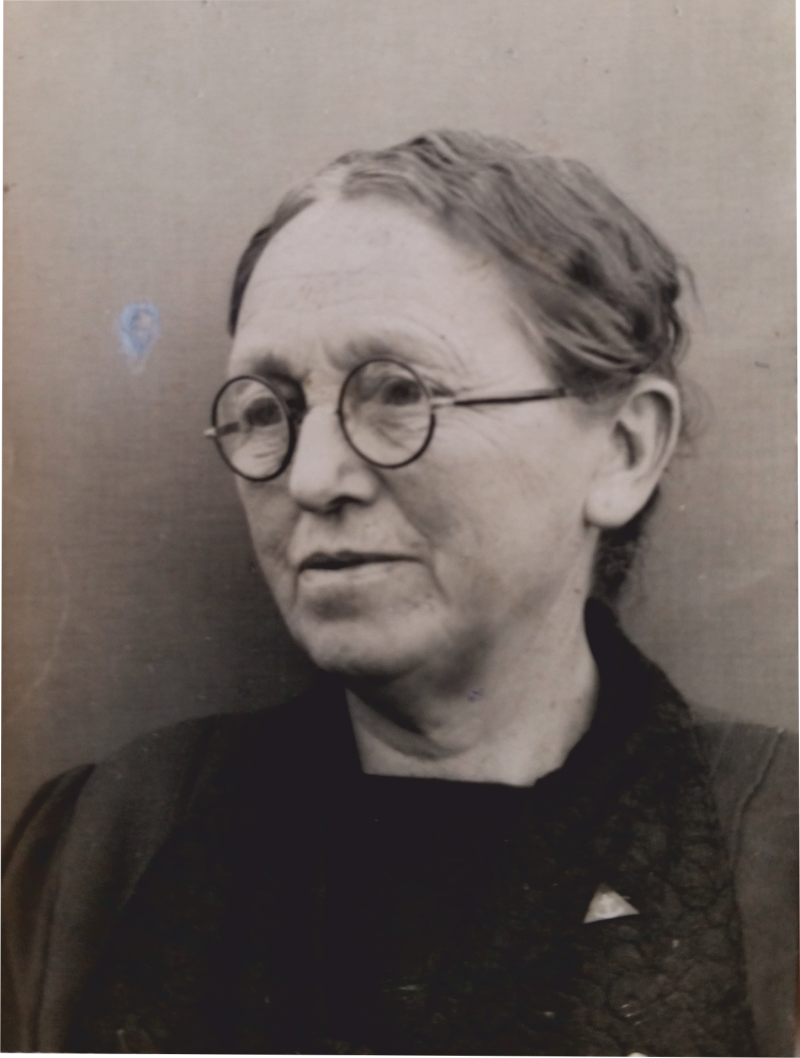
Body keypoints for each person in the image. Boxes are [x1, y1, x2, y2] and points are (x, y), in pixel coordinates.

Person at [0, 131, 796, 1058]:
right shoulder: (98, 849)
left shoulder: (779, 865)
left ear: (622, 451)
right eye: (267, 408)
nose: (312, 478)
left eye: (398, 394)